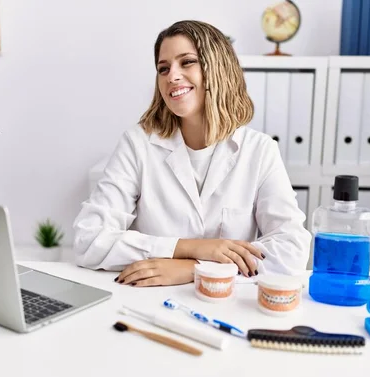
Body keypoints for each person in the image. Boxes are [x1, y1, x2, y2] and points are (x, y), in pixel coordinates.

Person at [72, 20, 311, 287]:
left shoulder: (259, 150)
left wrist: (195, 268)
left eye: (186, 62)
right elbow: (88, 239)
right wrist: (190, 248)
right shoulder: (138, 144)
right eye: (163, 68)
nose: (172, 76)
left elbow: (291, 249)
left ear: (217, 69)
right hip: (147, 300)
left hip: (227, 304)